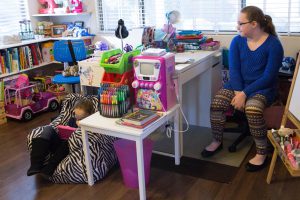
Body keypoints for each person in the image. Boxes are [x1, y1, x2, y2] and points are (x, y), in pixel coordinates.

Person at [201, 6, 284, 172]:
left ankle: (262, 152)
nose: (237, 27)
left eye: (240, 23)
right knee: (217, 103)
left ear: (254, 24)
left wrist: (245, 94)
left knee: (252, 109)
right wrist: (239, 92)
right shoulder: (237, 41)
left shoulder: (274, 45)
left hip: (263, 88)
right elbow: (235, 70)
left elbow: (268, 77)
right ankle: (217, 141)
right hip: (238, 85)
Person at [27, 99, 95, 178]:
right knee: (47, 130)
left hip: (72, 149)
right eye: (76, 116)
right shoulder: (72, 120)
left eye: (81, 118)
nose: (77, 120)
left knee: (67, 142)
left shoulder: (92, 124)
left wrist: (82, 126)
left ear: (90, 115)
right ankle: (35, 165)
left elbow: (90, 137)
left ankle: (50, 168)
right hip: (61, 145)